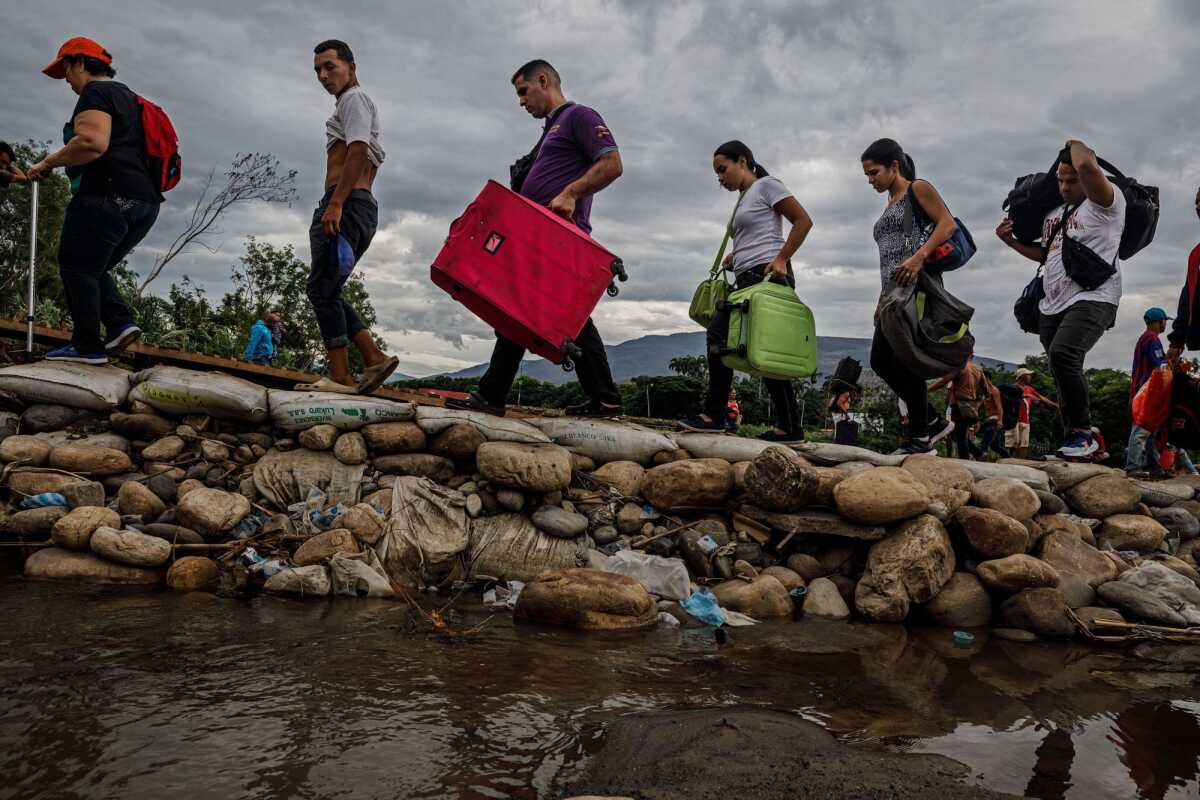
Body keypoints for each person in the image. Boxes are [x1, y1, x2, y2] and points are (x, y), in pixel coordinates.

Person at [448, 60, 624, 417]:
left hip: (560, 238)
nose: (521, 101)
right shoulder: (551, 130)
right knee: (526, 310)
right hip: (536, 236)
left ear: (543, 81)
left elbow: (612, 164)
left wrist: (572, 193)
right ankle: (601, 398)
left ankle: (494, 394)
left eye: (523, 91)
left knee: (548, 314)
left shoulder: (579, 116)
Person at [26, 38, 160, 364]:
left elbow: (91, 142)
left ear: (81, 64)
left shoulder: (96, 93)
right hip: (144, 204)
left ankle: (86, 346)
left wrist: (46, 163)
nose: (67, 81)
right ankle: (119, 324)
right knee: (92, 266)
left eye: (67, 70)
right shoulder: (132, 99)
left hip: (106, 197)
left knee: (74, 263)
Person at [997, 139, 1124, 458]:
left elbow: (1085, 164)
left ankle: (1082, 433)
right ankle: (1082, 440)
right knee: (1060, 365)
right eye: (1061, 180)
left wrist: (1074, 143)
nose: (1066, 186)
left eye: (1073, 180)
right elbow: (1047, 253)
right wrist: (1011, 242)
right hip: (1052, 302)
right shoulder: (1055, 211)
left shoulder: (1105, 203)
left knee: (1064, 355)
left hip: (1095, 297)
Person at [679, 140, 814, 441]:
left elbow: (803, 221)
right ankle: (790, 427)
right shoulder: (745, 197)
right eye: (717, 174)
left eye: (723, 170)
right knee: (765, 348)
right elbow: (757, 235)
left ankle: (714, 415)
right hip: (747, 278)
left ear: (743, 161)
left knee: (719, 335)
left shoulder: (767, 186)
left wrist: (782, 258)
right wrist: (735, 256)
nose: (720, 179)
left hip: (768, 276)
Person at [301, 39, 398, 394]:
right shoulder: (354, 103)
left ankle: (341, 377)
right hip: (360, 205)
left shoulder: (353, 99)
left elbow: (357, 150)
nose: (323, 75)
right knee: (328, 288)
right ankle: (373, 358)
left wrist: (336, 202)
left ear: (351, 67)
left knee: (322, 290)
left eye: (330, 66)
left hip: (348, 202)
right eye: (317, 70)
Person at [860, 138, 957, 454]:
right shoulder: (889, 202)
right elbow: (888, 257)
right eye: (867, 175)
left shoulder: (918, 189)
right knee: (883, 360)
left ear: (894, 166)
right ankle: (929, 423)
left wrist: (918, 258)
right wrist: (880, 298)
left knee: (898, 360)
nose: (871, 180)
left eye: (874, 173)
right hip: (891, 294)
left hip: (915, 289)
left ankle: (921, 435)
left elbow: (947, 225)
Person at [1126, 307, 1171, 476]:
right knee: (1141, 429)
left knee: (1151, 429)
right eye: (1165, 321)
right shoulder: (1151, 338)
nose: (1165, 324)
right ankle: (1133, 467)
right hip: (1146, 391)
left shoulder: (1145, 339)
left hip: (1141, 389)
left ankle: (1154, 466)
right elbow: (1160, 365)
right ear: (1159, 321)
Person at [930, 354, 989, 460]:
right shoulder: (978, 370)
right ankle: (977, 454)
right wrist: (977, 403)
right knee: (959, 433)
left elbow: (943, 381)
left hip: (958, 405)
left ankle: (967, 459)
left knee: (959, 435)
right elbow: (986, 391)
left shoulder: (960, 367)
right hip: (971, 407)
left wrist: (926, 389)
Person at [1167, 185, 1200, 361]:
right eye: (1196, 201)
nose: (1198, 205)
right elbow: (1188, 297)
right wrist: (1177, 340)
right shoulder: (1196, 255)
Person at [1006, 368, 1058, 458]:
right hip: (1013, 420)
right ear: (1022, 376)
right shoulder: (1013, 387)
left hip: (1025, 420)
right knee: (1013, 444)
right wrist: (1028, 395)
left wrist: (1055, 405)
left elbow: (1041, 397)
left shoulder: (1029, 388)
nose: (1030, 377)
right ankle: (1009, 462)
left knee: (1024, 444)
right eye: (1028, 375)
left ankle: (1022, 464)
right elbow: (1010, 398)